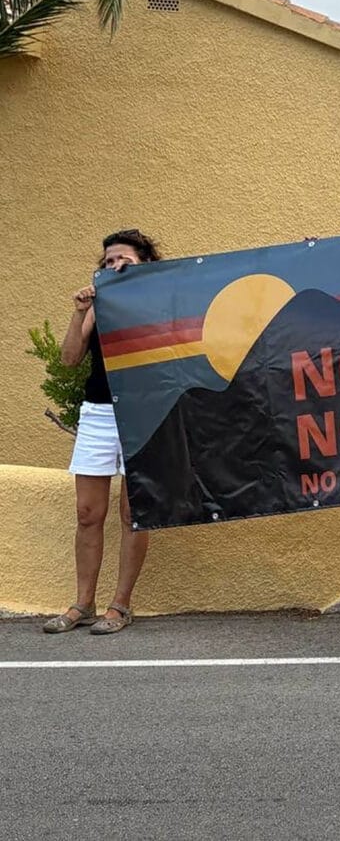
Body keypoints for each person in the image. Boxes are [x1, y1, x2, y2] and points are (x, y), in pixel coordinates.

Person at [42, 230, 164, 635]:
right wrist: (80, 313)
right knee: (87, 513)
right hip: (98, 412)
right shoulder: (99, 304)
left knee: (134, 512)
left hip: (144, 411)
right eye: (108, 261)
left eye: (123, 260)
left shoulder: (162, 298)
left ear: (144, 263)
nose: (114, 267)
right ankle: (83, 603)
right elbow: (69, 360)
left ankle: (120, 605)